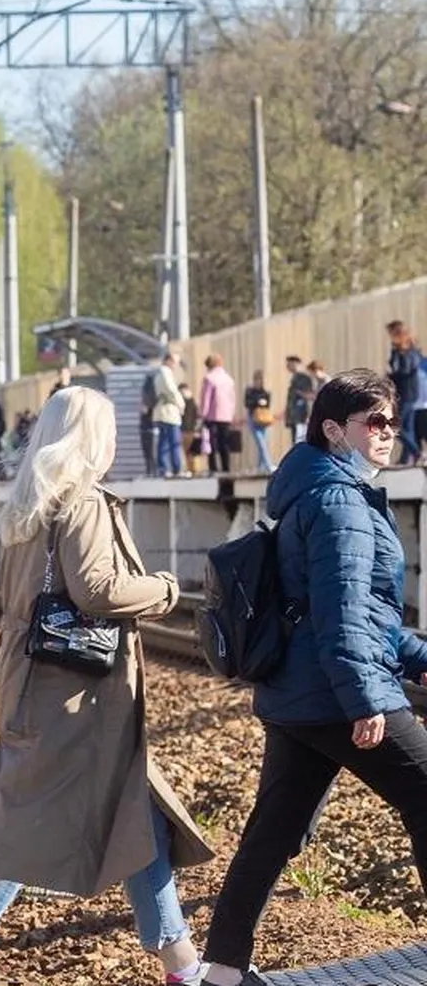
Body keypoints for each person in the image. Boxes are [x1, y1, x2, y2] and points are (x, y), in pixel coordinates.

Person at [0, 387, 213, 986]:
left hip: (44, 693)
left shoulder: (27, 506)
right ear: (91, 438)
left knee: (136, 811)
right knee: (26, 828)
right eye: (107, 431)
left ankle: (179, 961)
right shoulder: (82, 502)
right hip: (78, 701)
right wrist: (164, 590)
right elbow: (97, 590)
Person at [201, 370, 427, 986]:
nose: (388, 434)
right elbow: (343, 613)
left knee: (273, 831)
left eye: (393, 423)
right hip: (331, 693)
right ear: (334, 429)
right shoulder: (340, 501)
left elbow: (359, 616)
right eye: (374, 423)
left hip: (298, 692)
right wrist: (364, 699)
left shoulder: (314, 492)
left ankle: (221, 971)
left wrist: (419, 657)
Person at [388, 322, 424, 465]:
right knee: (408, 427)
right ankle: (406, 459)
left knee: (395, 426)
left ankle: (417, 453)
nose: (391, 337)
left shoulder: (410, 351)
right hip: (403, 392)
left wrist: (392, 376)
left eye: (392, 334)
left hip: (407, 392)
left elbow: (407, 371)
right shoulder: (397, 350)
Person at [200, 353, 237, 474]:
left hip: (212, 415)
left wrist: (203, 415)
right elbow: (232, 398)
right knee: (224, 442)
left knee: (212, 443)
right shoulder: (229, 379)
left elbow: (206, 399)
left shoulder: (209, 378)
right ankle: (226, 467)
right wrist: (231, 414)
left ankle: (213, 468)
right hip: (226, 416)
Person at [150, 355, 185, 477]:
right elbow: (172, 391)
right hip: (169, 412)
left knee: (163, 442)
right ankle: (176, 468)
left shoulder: (159, 373)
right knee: (173, 441)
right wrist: (181, 404)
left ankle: (163, 468)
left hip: (162, 412)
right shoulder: (165, 372)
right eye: (174, 362)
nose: (175, 365)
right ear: (168, 361)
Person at [244, 372, 275, 474]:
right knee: (261, 442)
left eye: (259, 380)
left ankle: (260, 467)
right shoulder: (250, 391)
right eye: (256, 380)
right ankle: (269, 465)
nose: (257, 382)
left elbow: (268, 405)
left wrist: (264, 402)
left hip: (263, 419)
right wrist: (257, 401)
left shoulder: (265, 392)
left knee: (263, 442)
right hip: (253, 418)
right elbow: (247, 404)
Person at [284, 355, 315, 453]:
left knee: (299, 441)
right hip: (294, 416)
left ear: (296, 364)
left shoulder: (303, 378)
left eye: (290, 364)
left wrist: (307, 415)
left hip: (301, 415)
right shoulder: (294, 378)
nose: (288, 366)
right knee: (295, 441)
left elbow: (309, 396)